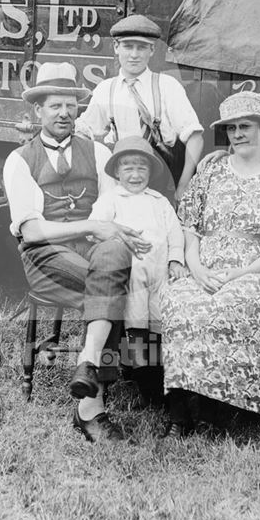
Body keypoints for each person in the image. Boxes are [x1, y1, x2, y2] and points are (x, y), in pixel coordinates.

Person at [3, 62, 150, 443]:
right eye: (54, 106)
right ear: (38, 111)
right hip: (44, 255)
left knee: (116, 259)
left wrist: (116, 233)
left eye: (70, 105)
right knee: (111, 284)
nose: (64, 113)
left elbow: (112, 205)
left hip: (93, 249)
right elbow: (33, 230)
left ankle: (88, 366)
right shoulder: (20, 160)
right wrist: (90, 227)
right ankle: (92, 410)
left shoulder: (98, 153)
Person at [160, 91, 260, 436]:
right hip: (207, 264)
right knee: (181, 303)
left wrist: (242, 272)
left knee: (231, 305)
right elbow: (190, 227)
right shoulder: (211, 171)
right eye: (232, 128)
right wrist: (195, 267)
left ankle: (219, 411)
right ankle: (178, 412)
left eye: (246, 126)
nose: (238, 134)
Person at [89, 136, 188, 406]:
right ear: (118, 172)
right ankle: (142, 380)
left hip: (160, 273)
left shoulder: (159, 202)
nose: (135, 174)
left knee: (159, 322)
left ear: (150, 172)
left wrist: (176, 260)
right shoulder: (111, 200)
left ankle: (166, 378)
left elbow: (175, 234)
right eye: (128, 168)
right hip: (131, 276)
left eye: (141, 168)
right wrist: (115, 239)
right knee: (136, 324)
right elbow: (94, 229)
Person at [75, 14, 204, 202]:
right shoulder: (106, 89)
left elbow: (195, 137)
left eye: (142, 47)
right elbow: (83, 135)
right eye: (128, 46)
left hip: (162, 180)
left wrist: (183, 186)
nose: (134, 55)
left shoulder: (167, 86)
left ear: (151, 50)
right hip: (121, 181)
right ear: (116, 47)